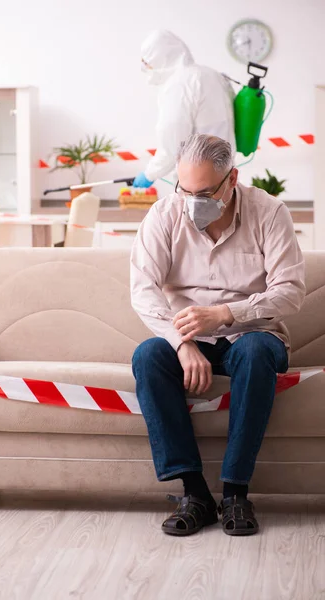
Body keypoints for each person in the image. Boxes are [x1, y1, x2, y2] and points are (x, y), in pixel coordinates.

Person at [130, 133, 305, 536]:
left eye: (205, 192)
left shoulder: (269, 212)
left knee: (257, 350)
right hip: (189, 338)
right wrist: (182, 343)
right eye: (184, 189)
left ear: (232, 179)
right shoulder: (164, 215)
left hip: (253, 336)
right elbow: (143, 290)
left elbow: (290, 291)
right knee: (148, 356)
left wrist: (225, 314)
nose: (193, 202)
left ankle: (235, 494)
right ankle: (195, 495)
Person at [133, 30, 235, 189]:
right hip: (226, 172)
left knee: (193, 214)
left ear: (161, 58)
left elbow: (173, 143)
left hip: (197, 181)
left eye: (147, 62)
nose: (145, 68)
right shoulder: (211, 74)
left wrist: (149, 174)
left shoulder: (179, 85)